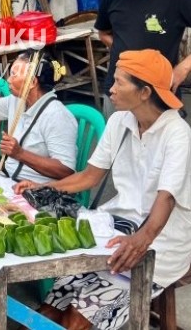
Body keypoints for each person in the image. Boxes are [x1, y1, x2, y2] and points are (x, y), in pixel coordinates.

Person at [14, 49, 191, 330]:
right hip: (112, 231)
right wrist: (45, 186)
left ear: (144, 92)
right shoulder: (121, 120)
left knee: (74, 321)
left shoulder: (177, 134)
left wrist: (140, 242)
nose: (111, 89)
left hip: (160, 243)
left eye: (119, 82)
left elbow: (166, 197)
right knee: (47, 313)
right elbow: (89, 176)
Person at [90, 0, 191, 117]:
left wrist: (183, 68)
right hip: (117, 91)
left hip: (159, 94)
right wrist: (125, 51)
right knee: (116, 144)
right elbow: (103, 32)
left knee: (161, 144)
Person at [0, 51, 78, 183]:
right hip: (11, 180)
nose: (8, 80)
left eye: (14, 75)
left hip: (38, 189)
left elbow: (65, 171)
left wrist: (20, 154)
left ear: (32, 82)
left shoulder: (57, 116)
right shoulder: (17, 100)